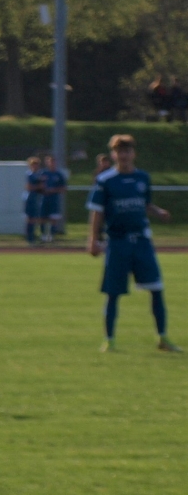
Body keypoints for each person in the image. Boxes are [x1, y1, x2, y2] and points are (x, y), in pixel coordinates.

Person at [88, 133, 177, 353]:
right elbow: (97, 212)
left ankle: (162, 338)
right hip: (118, 242)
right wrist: (93, 240)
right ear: (113, 154)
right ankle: (109, 340)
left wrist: (158, 211)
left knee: (156, 289)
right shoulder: (106, 180)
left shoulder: (142, 178)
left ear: (133, 153)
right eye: (119, 151)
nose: (124, 155)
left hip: (142, 241)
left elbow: (145, 203)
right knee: (113, 292)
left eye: (127, 151)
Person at [41, 153, 68, 240]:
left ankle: (52, 235)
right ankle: (43, 234)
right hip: (44, 198)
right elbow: (38, 185)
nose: (52, 163)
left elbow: (64, 188)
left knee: (54, 217)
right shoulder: (43, 173)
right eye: (50, 162)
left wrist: (54, 190)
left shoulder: (59, 174)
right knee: (43, 217)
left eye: (53, 162)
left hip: (54, 199)